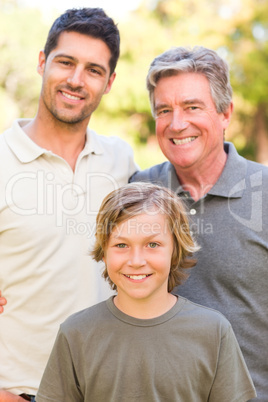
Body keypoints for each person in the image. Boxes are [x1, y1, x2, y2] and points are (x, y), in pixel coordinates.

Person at [0, 8, 137, 401]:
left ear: (109, 83)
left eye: (94, 70)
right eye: (65, 62)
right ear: (42, 62)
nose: (76, 80)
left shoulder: (121, 163)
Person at [130, 46, 268, 401]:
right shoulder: (137, 193)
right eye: (164, 110)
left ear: (226, 114)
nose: (177, 124)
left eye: (192, 107)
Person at [35, 182, 256, 402]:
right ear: (103, 253)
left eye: (152, 244)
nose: (137, 261)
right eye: (121, 245)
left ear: (175, 250)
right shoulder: (75, 333)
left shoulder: (214, 331)